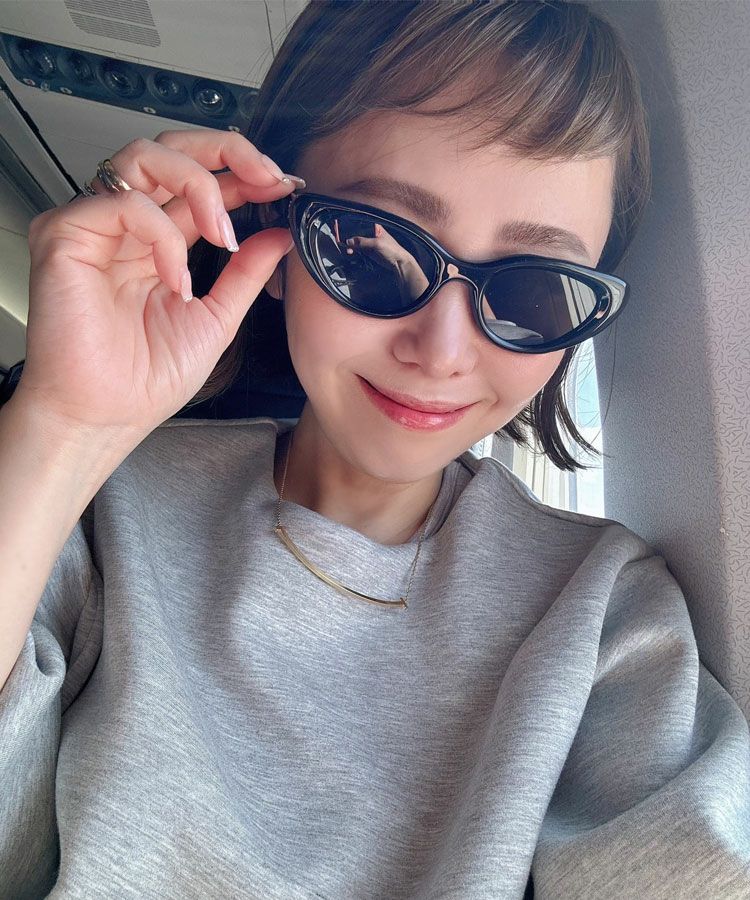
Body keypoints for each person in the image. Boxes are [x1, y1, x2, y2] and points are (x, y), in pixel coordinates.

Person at [1, 1, 749, 897]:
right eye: (371, 249)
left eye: (536, 292)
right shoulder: (97, 504)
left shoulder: (603, 613)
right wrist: (61, 427)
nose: (442, 352)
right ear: (273, 228)